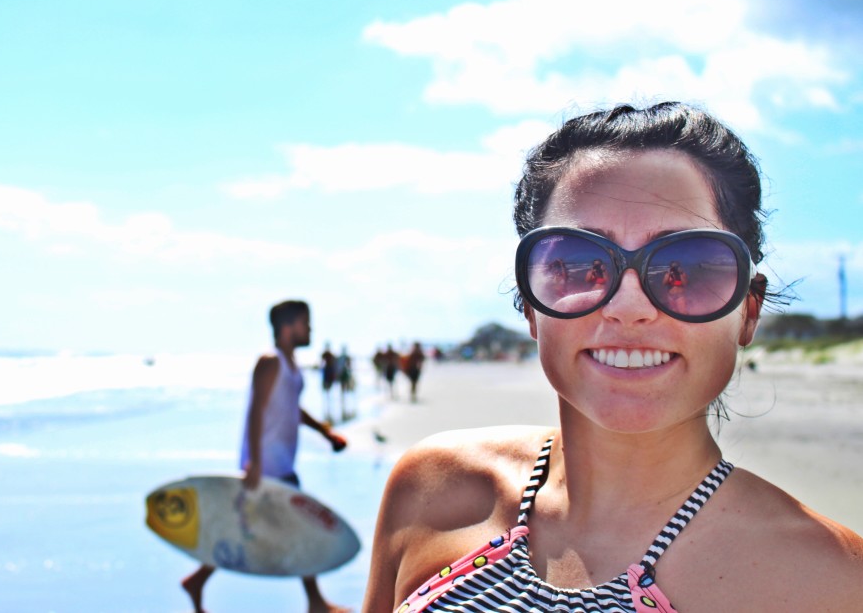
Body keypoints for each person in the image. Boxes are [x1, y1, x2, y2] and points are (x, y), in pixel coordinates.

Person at [363, 103, 863, 612]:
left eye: (685, 266)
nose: (629, 307)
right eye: (579, 264)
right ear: (531, 304)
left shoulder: (832, 583)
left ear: (747, 311)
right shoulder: (434, 490)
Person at [182, 300, 350, 613]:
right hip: (269, 466)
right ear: (287, 327)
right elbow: (256, 409)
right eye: (305, 323)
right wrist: (255, 462)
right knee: (300, 526)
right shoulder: (270, 361)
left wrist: (325, 433)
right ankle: (315, 603)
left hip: (281, 462)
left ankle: (198, 581)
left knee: (246, 529)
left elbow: (291, 408)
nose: (310, 329)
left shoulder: (290, 364)